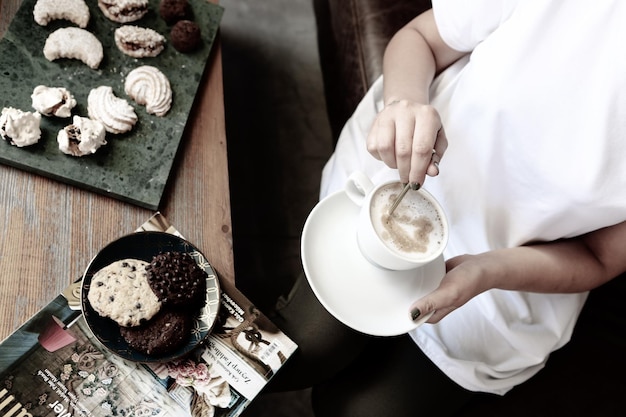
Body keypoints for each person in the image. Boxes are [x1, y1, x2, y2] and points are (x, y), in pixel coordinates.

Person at [263, 1, 626, 416]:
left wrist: (485, 272)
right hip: (399, 179)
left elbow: (598, 257)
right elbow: (420, 39)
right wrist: (404, 102)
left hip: (508, 278)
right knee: (306, 350)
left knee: (361, 410)